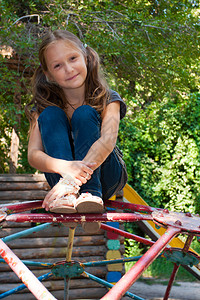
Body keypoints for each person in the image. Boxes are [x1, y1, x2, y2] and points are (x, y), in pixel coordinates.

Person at [25, 29, 127, 232]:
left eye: (73, 58)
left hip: (106, 176)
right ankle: (67, 199)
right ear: (49, 75)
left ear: (86, 58)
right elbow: (33, 155)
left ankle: (90, 195)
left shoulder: (107, 98)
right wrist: (65, 168)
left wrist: (71, 180)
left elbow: (107, 141)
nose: (69, 69)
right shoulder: (43, 108)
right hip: (64, 179)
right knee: (51, 115)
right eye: (57, 65)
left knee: (84, 114)